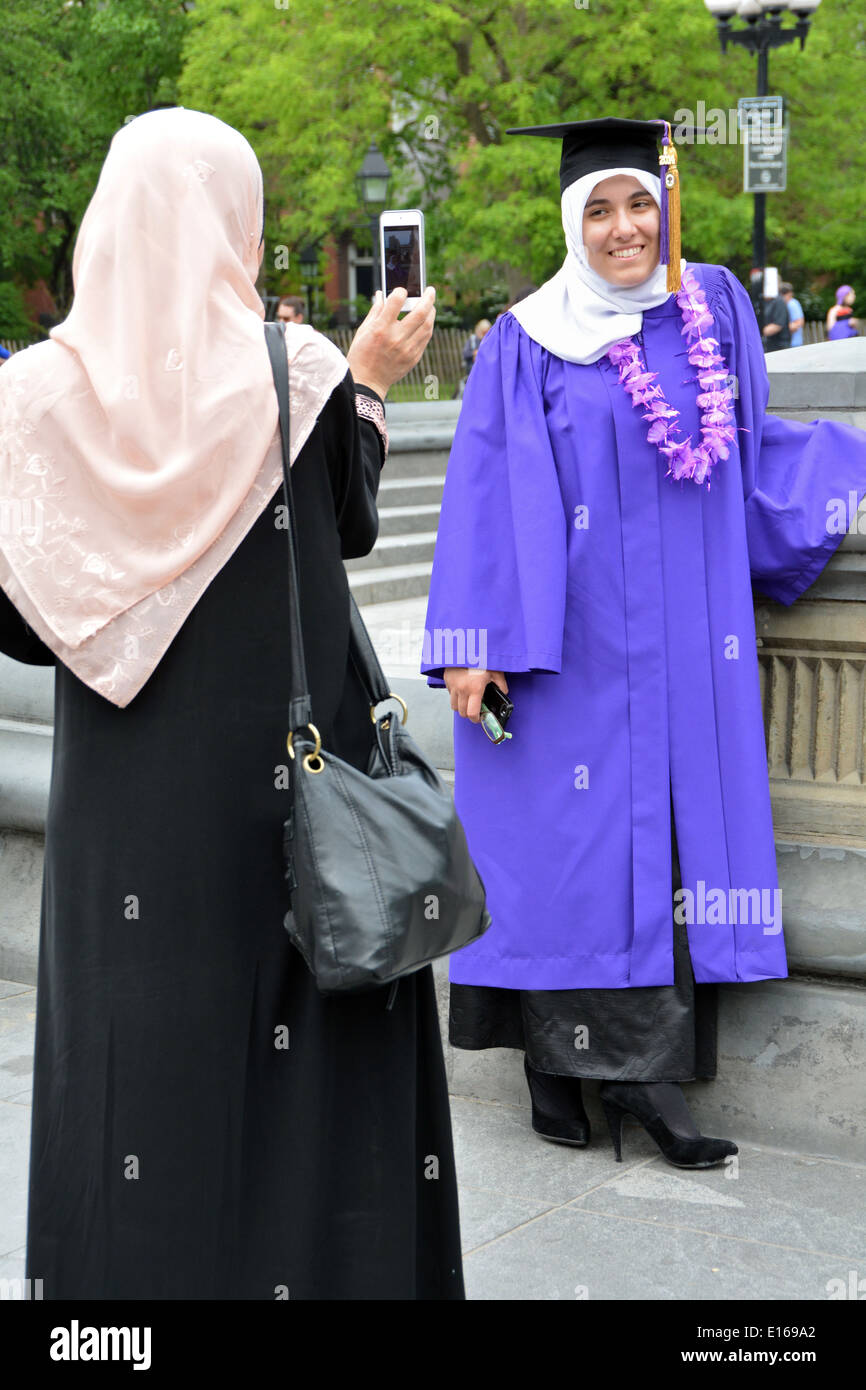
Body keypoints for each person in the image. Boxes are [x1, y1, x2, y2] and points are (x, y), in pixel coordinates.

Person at [0, 107, 460, 1300]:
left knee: (137, 1063)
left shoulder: (35, 399)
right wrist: (367, 385)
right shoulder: (292, 372)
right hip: (288, 792)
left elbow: (16, 620)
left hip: (128, 818)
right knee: (302, 1058)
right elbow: (345, 528)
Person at [420, 116, 866, 1168]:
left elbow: (749, 449)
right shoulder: (526, 339)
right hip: (564, 646)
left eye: (637, 204)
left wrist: (839, 468)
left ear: (662, 207)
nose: (623, 228)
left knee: (663, 843)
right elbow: (483, 494)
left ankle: (640, 1082)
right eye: (598, 209)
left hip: (684, 643)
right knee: (562, 849)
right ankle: (557, 1064)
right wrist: (473, 642)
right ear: (570, 223)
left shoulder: (708, 308)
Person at [761, 286, 790, 352]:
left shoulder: (778, 301)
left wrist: (758, 333)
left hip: (779, 347)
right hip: (769, 346)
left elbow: (777, 325)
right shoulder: (765, 302)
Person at [781, 281, 804, 348]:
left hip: (794, 343)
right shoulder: (790, 303)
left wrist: (779, 327)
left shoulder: (792, 304)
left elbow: (798, 323)